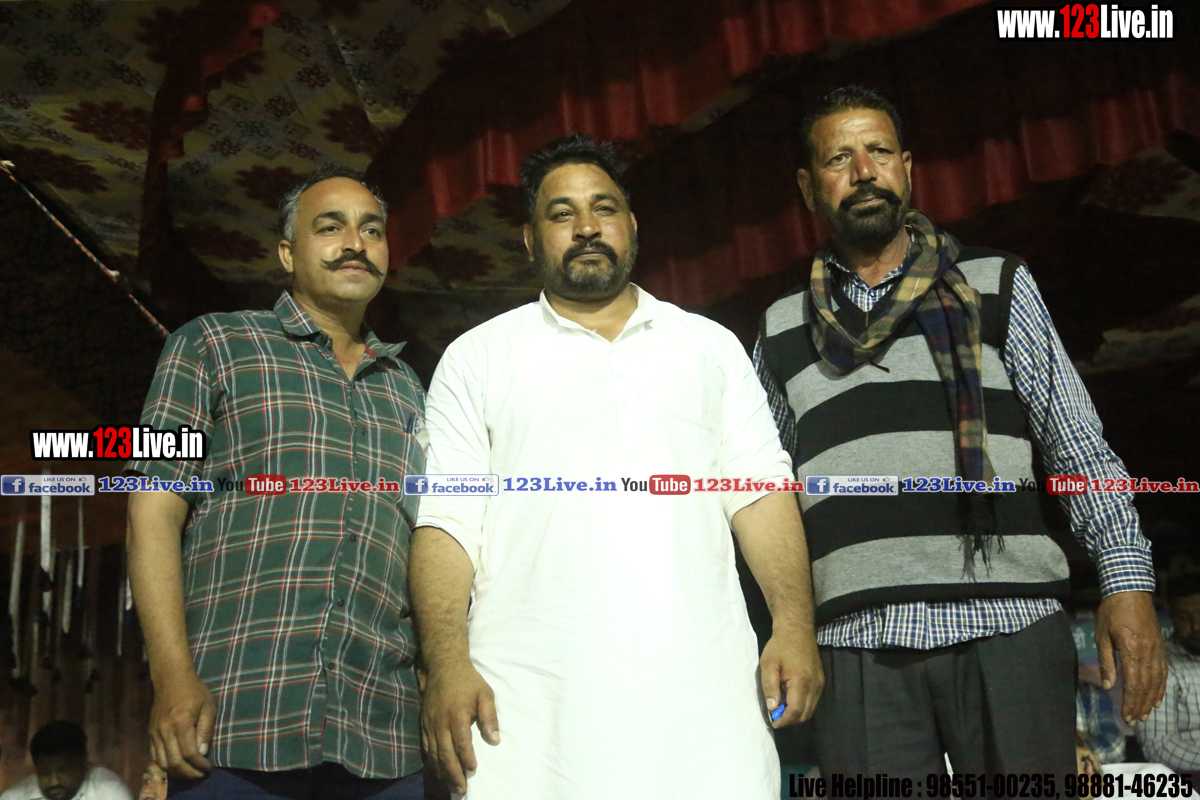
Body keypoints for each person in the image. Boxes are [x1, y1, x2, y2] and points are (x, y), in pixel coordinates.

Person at [753, 85, 1166, 777]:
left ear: (908, 168)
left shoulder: (996, 282)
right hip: (856, 645)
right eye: (839, 158)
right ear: (807, 186)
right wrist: (789, 626)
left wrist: (1126, 580)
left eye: (880, 152)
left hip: (1010, 627)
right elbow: (767, 498)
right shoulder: (778, 329)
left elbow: (1076, 443)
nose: (864, 171)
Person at [410, 134, 823, 799]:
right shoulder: (477, 357)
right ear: (529, 240)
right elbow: (447, 524)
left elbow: (760, 495)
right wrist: (447, 665)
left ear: (631, 225)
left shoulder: (709, 347)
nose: (586, 227)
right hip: (527, 723)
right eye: (562, 213)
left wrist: (795, 628)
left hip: (707, 712)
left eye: (603, 208)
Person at [124, 166, 427, 798]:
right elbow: (152, 509)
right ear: (287, 253)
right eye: (330, 227)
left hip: (386, 731)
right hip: (236, 714)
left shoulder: (411, 390)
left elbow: (427, 543)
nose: (355, 242)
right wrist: (171, 677)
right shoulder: (211, 343)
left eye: (372, 229)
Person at [1139, 573, 1200, 772]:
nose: (1196, 626)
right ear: (1172, 618)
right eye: (1183, 617)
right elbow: (1157, 746)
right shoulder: (1156, 665)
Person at [0, 721, 131, 800]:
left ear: (83, 763)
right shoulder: (15, 797)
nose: (54, 782)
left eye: (63, 771)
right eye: (45, 773)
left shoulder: (110, 791)